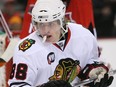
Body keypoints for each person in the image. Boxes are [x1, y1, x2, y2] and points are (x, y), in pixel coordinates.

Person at [8, 0, 114, 87]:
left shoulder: (83, 35)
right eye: (41, 24)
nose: (45, 30)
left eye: (50, 23)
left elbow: (88, 64)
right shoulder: (26, 49)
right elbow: (17, 85)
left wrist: (92, 72)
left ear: (62, 20)